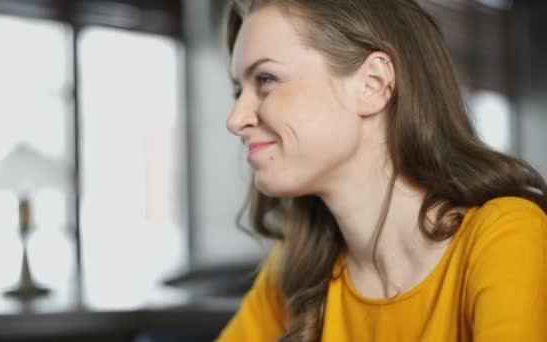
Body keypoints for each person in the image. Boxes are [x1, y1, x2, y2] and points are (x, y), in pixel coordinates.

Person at [215, 0, 547, 341]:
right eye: (239, 91)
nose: (236, 119)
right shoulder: (297, 270)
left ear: (373, 83)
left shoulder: (506, 237)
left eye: (266, 80)